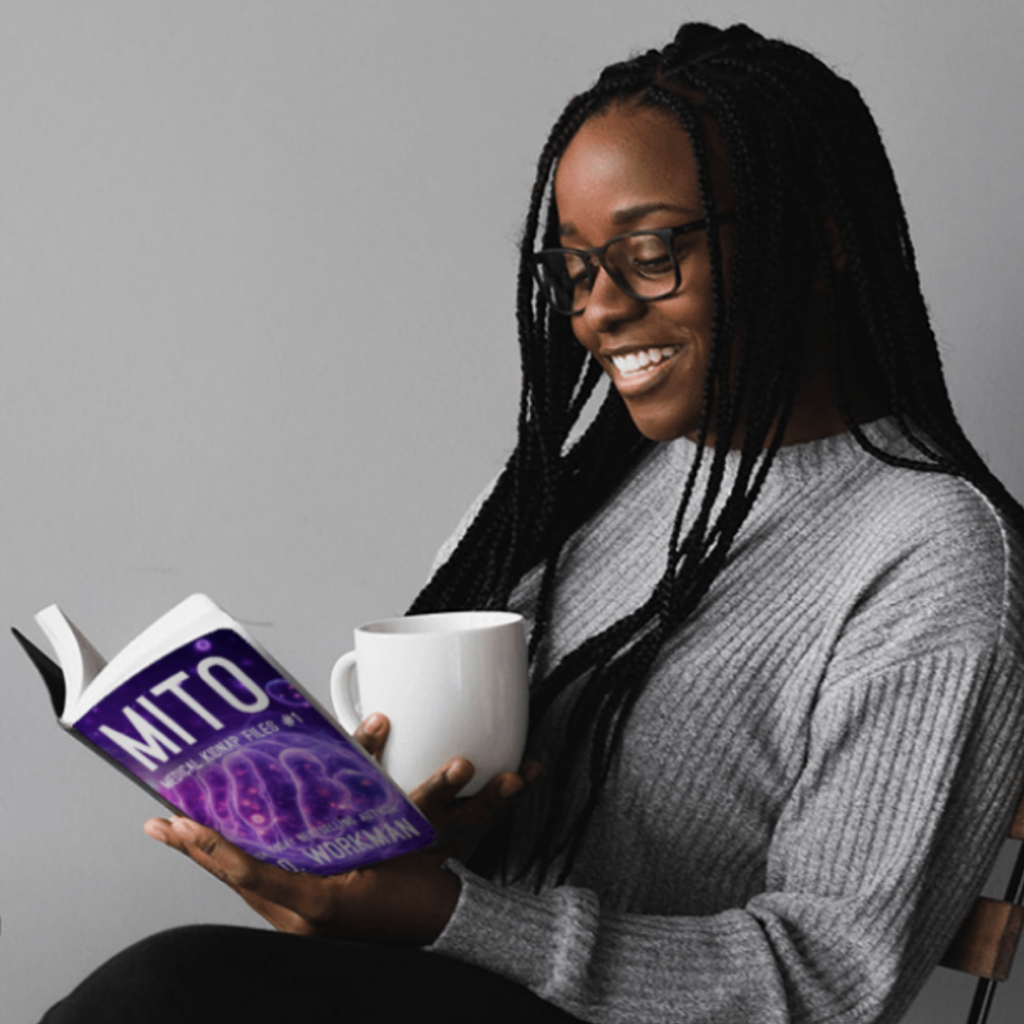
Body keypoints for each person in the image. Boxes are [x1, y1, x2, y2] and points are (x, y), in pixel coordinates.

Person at [41, 22, 1024, 1024]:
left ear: (821, 236)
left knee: (165, 990)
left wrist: (449, 913)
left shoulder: (929, 549)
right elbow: (462, 871)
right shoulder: (567, 497)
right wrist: (374, 862)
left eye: (648, 250)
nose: (596, 308)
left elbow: (829, 983)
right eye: (576, 268)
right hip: (452, 992)